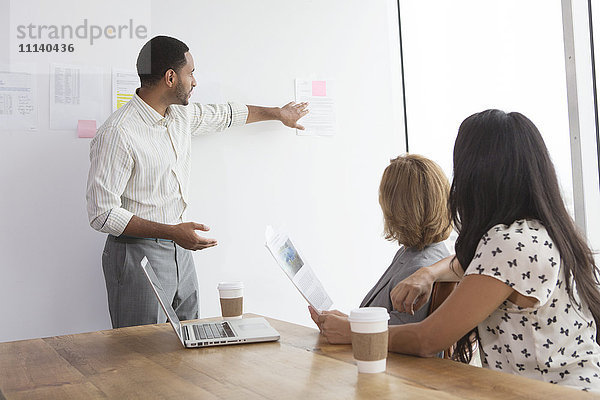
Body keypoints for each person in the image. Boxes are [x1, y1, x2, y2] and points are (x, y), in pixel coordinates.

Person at [86, 36, 308, 328]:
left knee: (188, 347)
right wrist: (171, 232)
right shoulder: (118, 133)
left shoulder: (179, 116)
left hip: (181, 253)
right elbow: (102, 214)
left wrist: (277, 114)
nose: (194, 81)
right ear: (170, 77)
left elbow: (225, 115)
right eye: (190, 72)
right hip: (136, 255)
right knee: (140, 354)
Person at [388, 110, 600, 392]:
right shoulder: (540, 231)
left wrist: (355, 331)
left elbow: (428, 339)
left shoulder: (509, 243)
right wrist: (429, 273)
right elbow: (473, 266)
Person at [309, 154, 452, 344]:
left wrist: (350, 330)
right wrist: (347, 323)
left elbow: (402, 339)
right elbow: (392, 322)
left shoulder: (418, 267)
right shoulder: (417, 253)